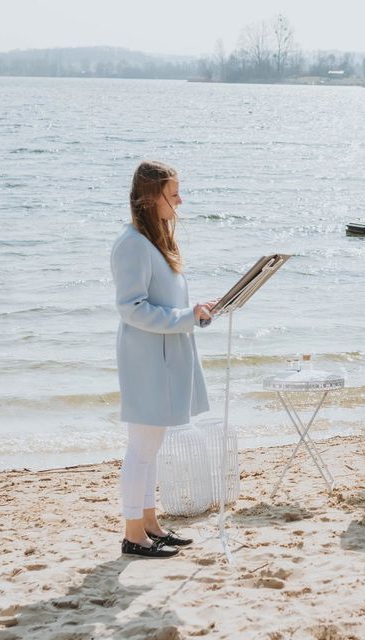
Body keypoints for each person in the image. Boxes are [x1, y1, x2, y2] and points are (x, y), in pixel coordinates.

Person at [111, 160, 213, 558]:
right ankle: (133, 533)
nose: (180, 201)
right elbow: (131, 308)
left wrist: (196, 312)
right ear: (152, 198)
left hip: (164, 356)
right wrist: (187, 317)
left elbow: (165, 301)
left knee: (150, 448)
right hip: (146, 359)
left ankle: (150, 524)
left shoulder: (155, 240)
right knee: (141, 448)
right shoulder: (131, 244)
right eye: (173, 195)